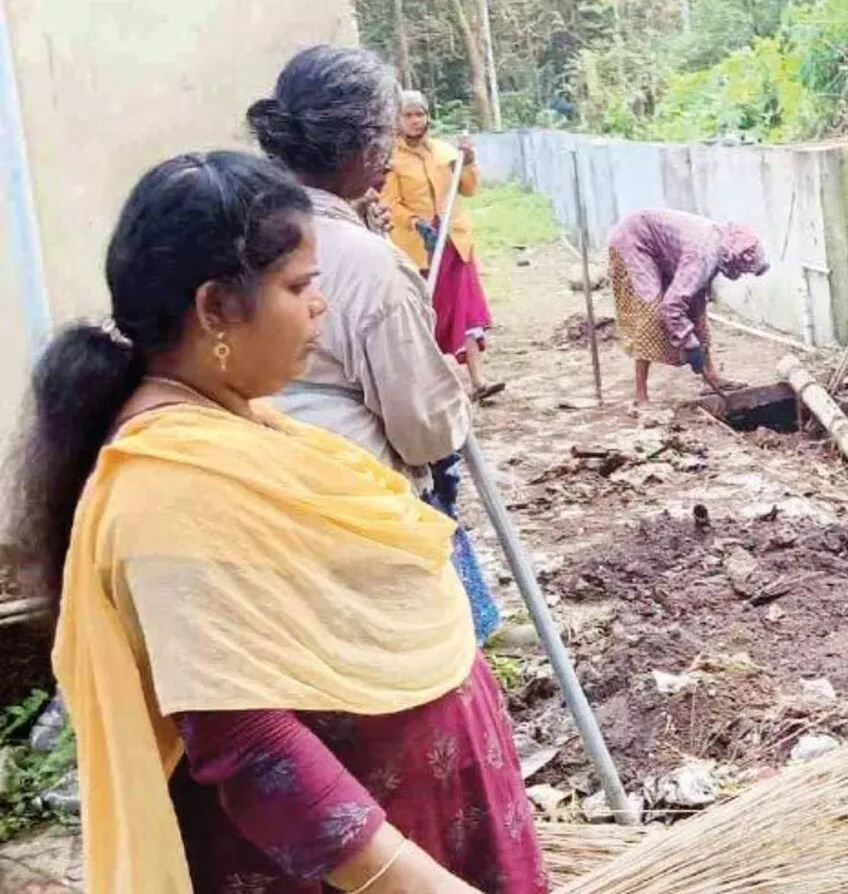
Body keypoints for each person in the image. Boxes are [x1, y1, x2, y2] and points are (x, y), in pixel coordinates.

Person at [5, 150, 545, 893]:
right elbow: (249, 742)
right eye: (298, 285)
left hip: (417, 834)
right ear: (215, 308)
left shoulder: (240, 429)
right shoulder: (169, 495)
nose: (318, 305)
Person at [248, 46, 500, 644]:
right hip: (352, 505)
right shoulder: (362, 264)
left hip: (263, 508)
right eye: (387, 131)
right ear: (366, 147)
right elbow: (425, 429)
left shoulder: (238, 225)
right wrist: (448, 400)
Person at [380, 89, 505, 402]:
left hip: (453, 242)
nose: (415, 121)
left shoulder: (444, 153)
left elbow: (469, 189)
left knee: (465, 311)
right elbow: (390, 203)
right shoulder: (389, 161)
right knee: (425, 314)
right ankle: (432, 388)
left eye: (419, 114)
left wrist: (470, 162)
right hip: (418, 248)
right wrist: (416, 223)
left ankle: (478, 381)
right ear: (397, 120)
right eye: (408, 115)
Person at [605, 207, 769, 405]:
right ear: (737, 258)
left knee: (697, 312)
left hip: (664, 250)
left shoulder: (719, 246)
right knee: (651, 313)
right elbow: (672, 307)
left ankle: (711, 378)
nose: (742, 274)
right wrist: (690, 345)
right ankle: (641, 396)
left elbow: (692, 301)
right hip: (634, 239)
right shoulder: (704, 256)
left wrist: (695, 341)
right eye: (745, 270)